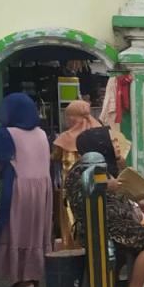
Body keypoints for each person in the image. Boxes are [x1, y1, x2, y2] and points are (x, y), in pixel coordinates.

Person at [64, 127, 144, 287]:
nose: (117, 145)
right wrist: (105, 185)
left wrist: (138, 200)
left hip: (111, 225)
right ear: (99, 144)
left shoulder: (104, 167)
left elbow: (116, 190)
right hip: (100, 228)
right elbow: (86, 195)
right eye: (113, 141)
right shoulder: (84, 170)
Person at [0, 95, 52, 287]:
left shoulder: (4, 134)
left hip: (18, 187)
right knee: (35, 230)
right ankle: (32, 275)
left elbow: (1, 163)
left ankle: (21, 280)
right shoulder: (42, 133)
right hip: (42, 189)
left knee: (14, 230)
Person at [52, 100, 102, 249]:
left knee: (71, 219)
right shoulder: (99, 134)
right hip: (95, 184)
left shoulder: (66, 138)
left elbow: (55, 156)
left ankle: (73, 250)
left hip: (71, 186)